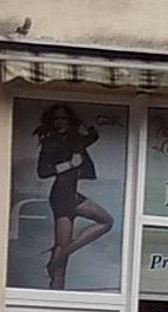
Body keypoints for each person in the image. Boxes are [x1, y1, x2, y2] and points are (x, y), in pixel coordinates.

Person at [34, 103, 112, 289]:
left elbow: (93, 135)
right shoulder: (50, 142)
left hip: (70, 194)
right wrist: (69, 164)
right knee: (104, 222)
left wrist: (81, 123)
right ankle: (57, 278)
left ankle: (57, 266)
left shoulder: (74, 139)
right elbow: (42, 172)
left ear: (69, 120)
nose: (60, 122)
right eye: (56, 119)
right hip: (62, 195)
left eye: (63, 118)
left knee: (105, 222)